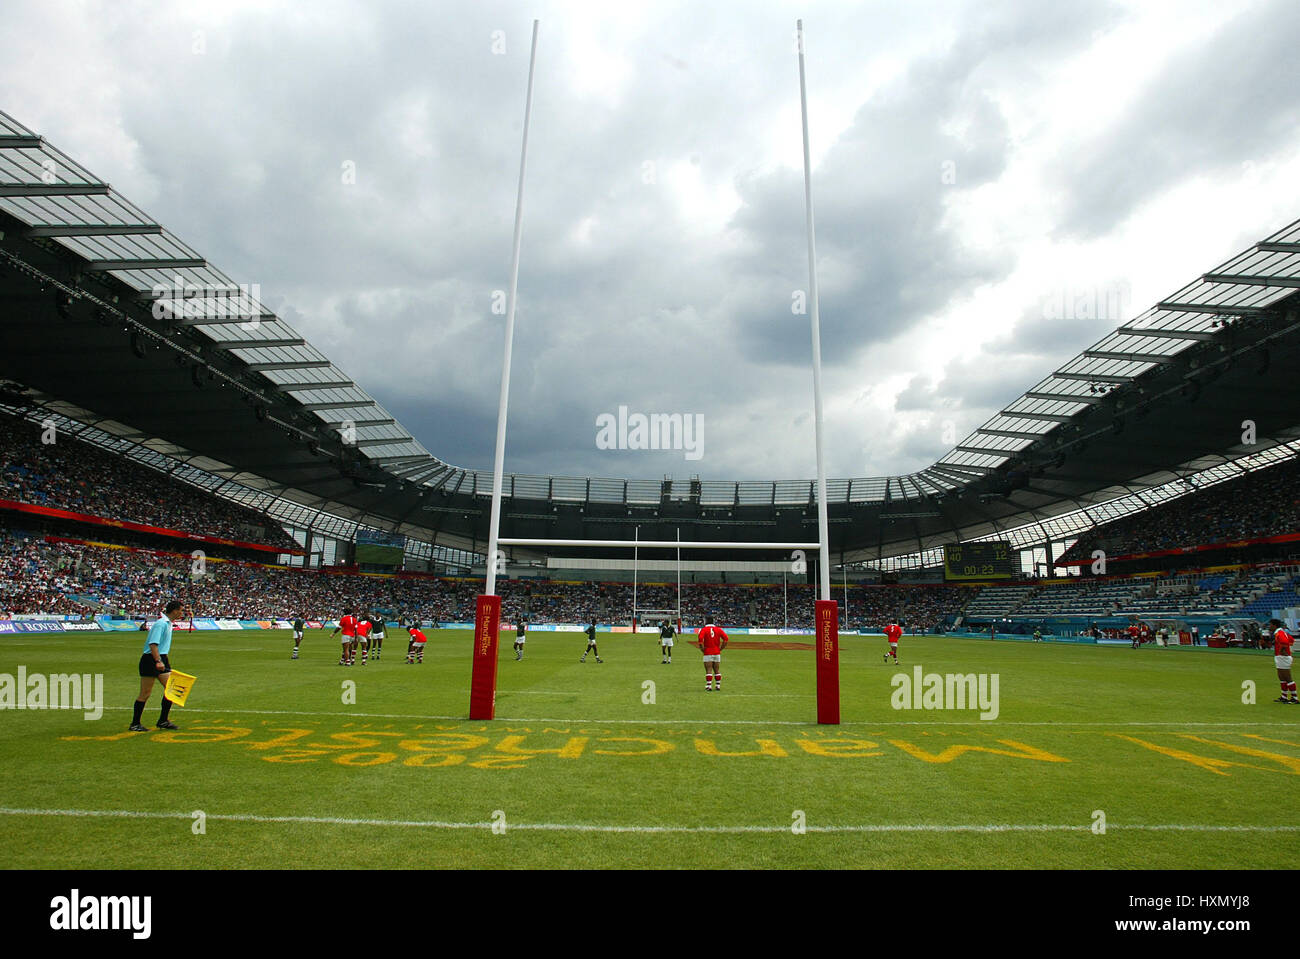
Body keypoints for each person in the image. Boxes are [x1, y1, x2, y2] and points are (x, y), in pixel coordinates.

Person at [130, 599, 187, 732]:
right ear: (174, 610)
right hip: (151, 660)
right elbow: (153, 644)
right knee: (145, 693)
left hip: (160, 658)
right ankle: (135, 723)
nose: (181, 613)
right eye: (181, 610)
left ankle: (163, 720)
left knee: (171, 690)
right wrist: (158, 661)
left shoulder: (167, 623)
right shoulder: (161, 624)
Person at [1268, 619, 1296, 704]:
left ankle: (1294, 698)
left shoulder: (1279, 633)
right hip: (1280, 657)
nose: (1269, 627)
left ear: (1274, 625)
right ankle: (1284, 697)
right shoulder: (1281, 632)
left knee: (1288, 678)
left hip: (1283, 657)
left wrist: (1283, 650)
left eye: (1270, 625)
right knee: (1282, 677)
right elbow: (1291, 640)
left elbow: (1284, 641)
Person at [697, 618, 728, 691]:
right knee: (717, 669)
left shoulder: (704, 629)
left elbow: (700, 640)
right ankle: (718, 685)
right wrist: (721, 648)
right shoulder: (718, 629)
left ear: (706, 622)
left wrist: (702, 649)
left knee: (709, 669)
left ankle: (709, 685)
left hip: (708, 651)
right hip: (717, 651)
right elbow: (726, 639)